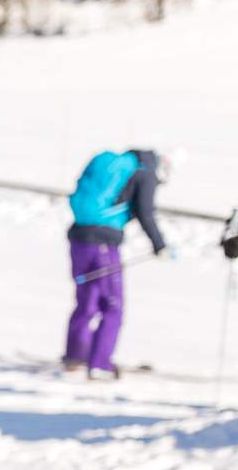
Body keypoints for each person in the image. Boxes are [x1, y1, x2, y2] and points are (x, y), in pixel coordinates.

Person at [64, 148, 172, 380]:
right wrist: (159, 244)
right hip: (104, 244)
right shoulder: (146, 173)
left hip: (79, 238)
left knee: (86, 301)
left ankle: (75, 357)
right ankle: (99, 364)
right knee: (112, 305)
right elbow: (146, 212)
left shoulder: (119, 164)